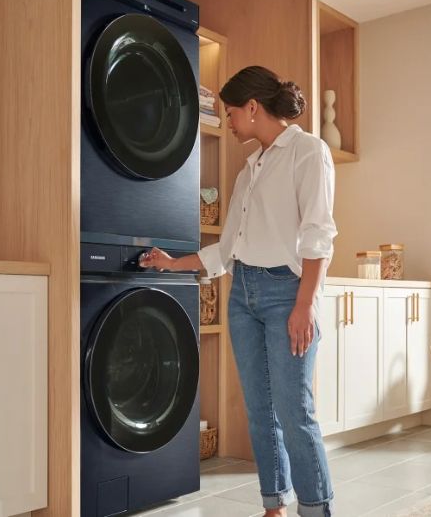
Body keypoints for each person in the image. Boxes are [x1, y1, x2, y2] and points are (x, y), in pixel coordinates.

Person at [140, 65, 337, 517]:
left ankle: (316, 509)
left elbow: (318, 236)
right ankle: (274, 506)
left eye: (230, 113)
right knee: (259, 411)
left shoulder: (309, 151)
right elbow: (228, 250)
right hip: (243, 293)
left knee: (295, 412)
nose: (227, 122)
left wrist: (305, 304)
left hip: (288, 292)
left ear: (253, 107)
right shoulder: (248, 171)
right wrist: (172, 264)